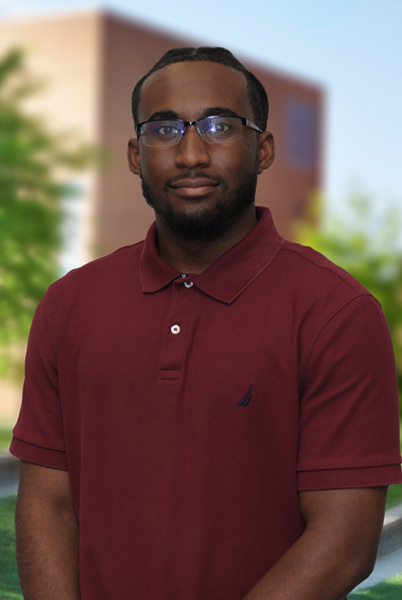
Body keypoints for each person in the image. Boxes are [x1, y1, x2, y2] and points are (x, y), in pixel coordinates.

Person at [11, 47, 402, 600]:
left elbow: (345, 540)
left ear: (262, 148)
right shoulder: (68, 303)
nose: (191, 153)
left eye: (220, 126)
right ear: (134, 154)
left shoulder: (336, 312)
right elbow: (47, 503)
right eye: (164, 129)